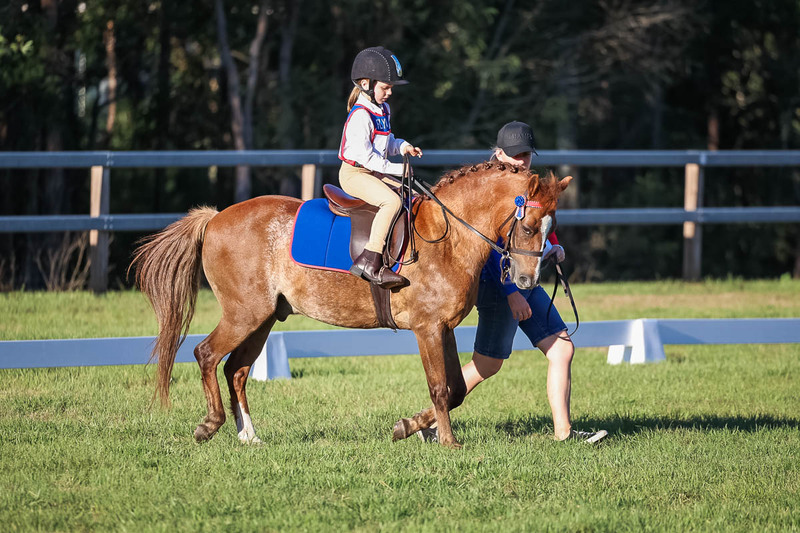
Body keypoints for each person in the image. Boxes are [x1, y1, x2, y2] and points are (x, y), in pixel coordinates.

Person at [418, 121, 608, 444]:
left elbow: (537, 225)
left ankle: (565, 432)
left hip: (526, 280)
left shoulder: (529, 186)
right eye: (516, 155)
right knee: (487, 364)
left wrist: (552, 246)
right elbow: (486, 250)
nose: (522, 162)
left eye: (527, 156)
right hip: (498, 285)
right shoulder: (488, 188)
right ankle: (429, 421)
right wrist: (510, 293)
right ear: (500, 153)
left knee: (562, 349)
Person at [338, 46, 423, 289]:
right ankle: (369, 259)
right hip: (355, 174)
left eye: (390, 89)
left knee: (415, 197)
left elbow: (386, 142)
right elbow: (366, 157)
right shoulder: (360, 116)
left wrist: (403, 146)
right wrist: (398, 170)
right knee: (392, 202)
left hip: (374, 171)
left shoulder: (382, 110)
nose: (389, 93)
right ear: (366, 83)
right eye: (385, 87)